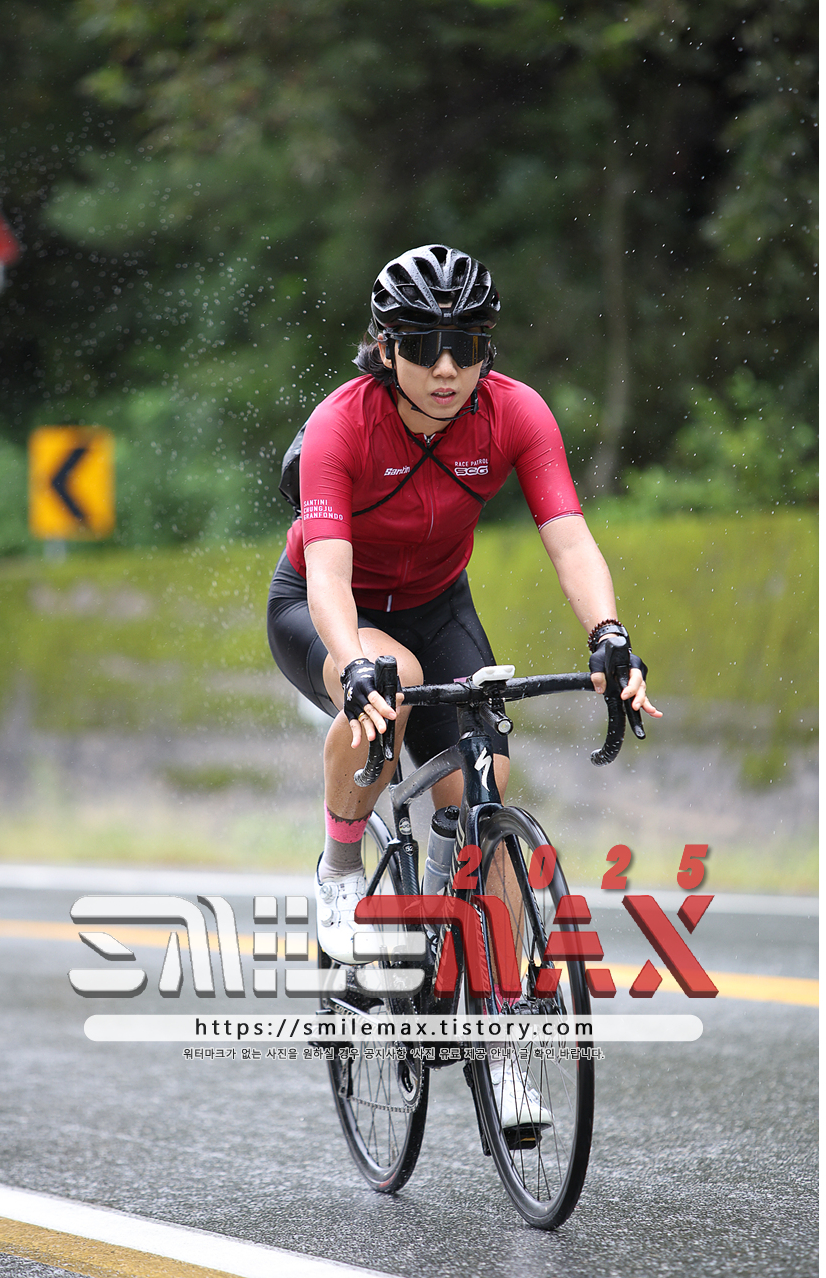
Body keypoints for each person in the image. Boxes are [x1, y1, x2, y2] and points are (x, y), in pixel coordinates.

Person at [266, 242, 660, 971]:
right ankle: (340, 868)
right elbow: (327, 575)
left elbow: (569, 538)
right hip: (328, 607)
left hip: (439, 604)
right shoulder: (340, 425)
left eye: (467, 346)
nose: (446, 368)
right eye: (424, 347)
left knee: (484, 791)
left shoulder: (516, 412)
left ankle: (488, 982)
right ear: (387, 349)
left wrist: (609, 635)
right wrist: (351, 663)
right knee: (389, 681)